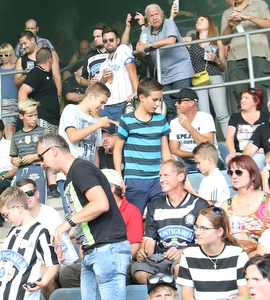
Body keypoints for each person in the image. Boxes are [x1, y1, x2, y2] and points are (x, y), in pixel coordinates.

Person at [38, 134, 129, 300]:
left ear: (53, 150)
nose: (42, 164)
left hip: (108, 248)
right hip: (91, 251)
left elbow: (100, 204)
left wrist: (65, 224)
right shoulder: (72, 175)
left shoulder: (80, 169)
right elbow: (86, 216)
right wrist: (61, 235)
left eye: (41, 157)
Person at [112, 77, 171, 216]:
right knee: (135, 218)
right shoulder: (126, 120)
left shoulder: (161, 119)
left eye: (160, 100)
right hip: (134, 179)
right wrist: (119, 178)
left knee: (159, 217)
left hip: (158, 179)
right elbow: (117, 150)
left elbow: (165, 151)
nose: (158, 103)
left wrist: (170, 174)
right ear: (142, 97)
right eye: (155, 99)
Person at [178, 206, 249, 300]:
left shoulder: (238, 254)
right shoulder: (188, 254)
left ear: (220, 231)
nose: (197, 232)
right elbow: (186, 295)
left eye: (204, 228)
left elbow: (244, 295)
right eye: (196, 227)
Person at [220, 0, 270, 107]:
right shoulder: (227, 13)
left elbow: (268, 24)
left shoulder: (259, 4)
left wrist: (248, 17)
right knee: (240, 94)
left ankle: (264, 127)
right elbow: (224, 41)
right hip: (236, 58)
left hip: (258, 54)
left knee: (260, 93)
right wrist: (230, 25)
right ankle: (244, 127)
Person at [136, 4, 194, 117]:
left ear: (162, 15)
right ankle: (172, 134)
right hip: (164, 76)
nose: (154, 18)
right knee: (169, 108)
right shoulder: (146, 31)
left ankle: (185, 133)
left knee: (182, 105)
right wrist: (140, 48)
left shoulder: (169, 23)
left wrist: (149, 44)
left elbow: (171, 40)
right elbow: (142, 47)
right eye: (151, 16)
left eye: (156, 14)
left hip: (180, 71)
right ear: (147, 19)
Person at [186, 14, 229, 137]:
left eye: (202, 19)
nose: (198, 21)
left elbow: (223, 67)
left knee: (222, 113)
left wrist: (216, 60)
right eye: (197, 20)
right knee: (204, 114)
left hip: (215, 76)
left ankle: (230, 144)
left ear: (209, 24)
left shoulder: (217, 41)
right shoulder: (191, 40)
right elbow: (174, 38)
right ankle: (209, 145)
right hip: (199, 79)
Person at [58, 82, 112, 163]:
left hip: (88, 171)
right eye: (101, 102)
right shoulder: (71, 109)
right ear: (90, 96)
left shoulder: (96, 121)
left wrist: (95, 174)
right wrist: (98, 124)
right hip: (69, 169)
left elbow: (95, 152)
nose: (103, 107)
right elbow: (72, 136)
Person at [168, 88, 216, 172]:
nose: (176, 104)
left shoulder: (206, 118)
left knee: (208, 162)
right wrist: (194, 155)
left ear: (191, 103)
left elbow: (209, 146)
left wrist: (189, 127)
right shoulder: (174, 122)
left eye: (179, 101)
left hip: (208, 159)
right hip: (186, 162)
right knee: (170, 161)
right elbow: (174, 149)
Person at [97, 27, 138, 120]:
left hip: (123, 104)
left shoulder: (122, 50)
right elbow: (99, 87)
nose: (108, 42)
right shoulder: (103, 64)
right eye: (105, 40)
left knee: (124, 133)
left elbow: (132, 70)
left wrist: (136, 92)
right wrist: (103, 78)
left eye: (111, 40)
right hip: (105, 107)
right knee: (105, 135)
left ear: (118, 40)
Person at [101, 170, 143, 260]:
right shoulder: (94, 210)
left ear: (112, 188)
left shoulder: (132, 211)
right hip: (94, 260)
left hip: (121, 261)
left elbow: (134, 247)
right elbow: (83, 247)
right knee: (69, 271)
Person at [18, 48, 61, 127]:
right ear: (50, 59)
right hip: (43, 121)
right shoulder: (37, 73)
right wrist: (29, 115)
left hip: (52, 120)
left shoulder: (45, 74)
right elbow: (22, 92)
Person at [226, 87, 269, 158]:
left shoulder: (266, 116)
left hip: (261, 153)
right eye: (242, 98)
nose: (242, 100)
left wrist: (266, 147)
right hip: (240, 153)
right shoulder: (234, 117)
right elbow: (229, 137)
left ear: (256, 101)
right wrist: (232, 152)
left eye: (246, 98)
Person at [0, 44, 19, 137]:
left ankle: (10, 151)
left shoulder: (17, 67)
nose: (3, 57)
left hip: (12, 102)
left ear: (11, 54)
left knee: (10, 129)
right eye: (1, 55)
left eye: (6, 54)